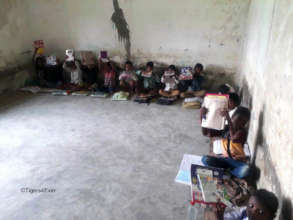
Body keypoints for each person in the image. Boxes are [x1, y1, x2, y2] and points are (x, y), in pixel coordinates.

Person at [202, 107, 251, 179]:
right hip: (224, 159)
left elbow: (233, 138)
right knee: (205, 159)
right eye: (238, 120)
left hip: (236, 162)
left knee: (246, 169)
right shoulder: (226, 128)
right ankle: (225, 172)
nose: (240, 124)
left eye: (244, 122)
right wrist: (203, 116)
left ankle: (230, 173)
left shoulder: (242, 132)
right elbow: (207, 134)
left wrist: (228, 118)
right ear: (233, 117)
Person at [204, 189, 279, 220]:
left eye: (260, 212)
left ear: (271, 217)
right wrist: (220, 216)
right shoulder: (244, 212)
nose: (253, 212)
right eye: (251, 206)